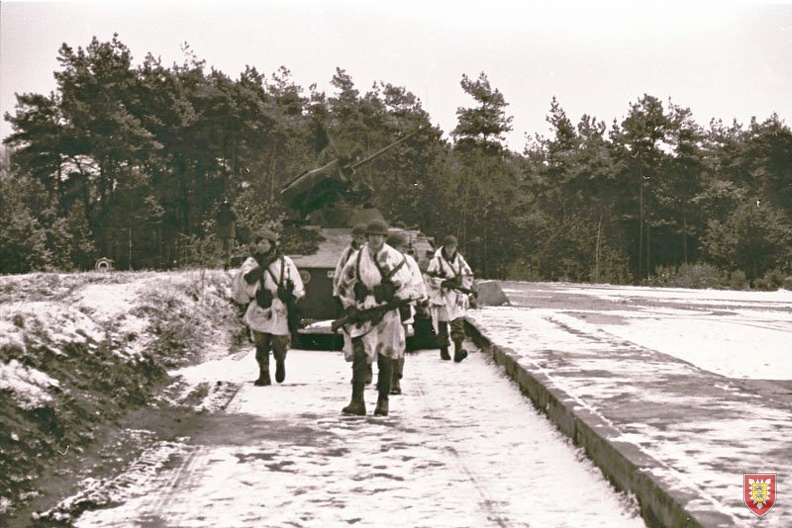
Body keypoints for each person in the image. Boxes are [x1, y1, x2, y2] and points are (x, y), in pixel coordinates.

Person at [336, 219, 413, 416]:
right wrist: (350, 306)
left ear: (384, 237)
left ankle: (383, 401)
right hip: (365, 308)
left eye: (379, 235)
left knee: (386, 355)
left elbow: (408, 286)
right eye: (372, 235)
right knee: (360, 354)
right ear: (367, 237)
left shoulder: (395, 257)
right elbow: (343, 282)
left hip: (387, 311)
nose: (375, 239)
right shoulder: (357, 256)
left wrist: (394, 297)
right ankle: (357, 400)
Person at [232, 226, 305, 386]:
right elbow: (246, 280)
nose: (261, 246)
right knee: (261, 343)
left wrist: (291, 296)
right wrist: (262, 267)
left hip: (279, 306)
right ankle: (264, 373)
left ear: (272, 244)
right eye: (259, 243)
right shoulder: (252, 262)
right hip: (260, 306)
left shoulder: (285, 262)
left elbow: (297, 284)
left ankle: (280, 362)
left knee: (280, 342)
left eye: (265, 242)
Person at [385, 231, 427, 395]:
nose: (403, 250)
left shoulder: (408, 262)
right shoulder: (382, 260)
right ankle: (387, 379)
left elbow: (417, 282)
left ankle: (395, 380)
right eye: (401, 246)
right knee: (385, 345)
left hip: (402, 308)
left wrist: (422, 300)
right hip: (384, 307)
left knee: (400, 343)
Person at [332, 222, 372, 383]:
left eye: (361, 237)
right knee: (351, 334)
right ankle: (358, 369)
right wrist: (338, 295)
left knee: (368, 334)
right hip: (350, 298)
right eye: (356, 237)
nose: (359, 240)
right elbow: (339, 274)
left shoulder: (371, 254)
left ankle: (367, 368)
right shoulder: (347, 254)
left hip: (368, 298)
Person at [426, 234, 474, 362]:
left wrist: (465, 287)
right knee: (441, 324)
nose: (450, 249)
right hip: (441, 296)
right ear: (444, 247)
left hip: (456, 294)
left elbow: (468, 274)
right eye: (448, 247)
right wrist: (442, 282)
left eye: (453, 247)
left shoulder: (459, 260)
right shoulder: (436, 261)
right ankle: (443, 349)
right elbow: (429, 278)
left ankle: (458, 349)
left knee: (457, 322)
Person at [216, 199, 237, 270]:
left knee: (219, 251)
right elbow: (236, 218)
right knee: (228, 251)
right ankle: (227, 265)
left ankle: (217, 265)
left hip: (220, 234)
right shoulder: (232, 213)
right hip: (230, 234)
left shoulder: (219, 213)